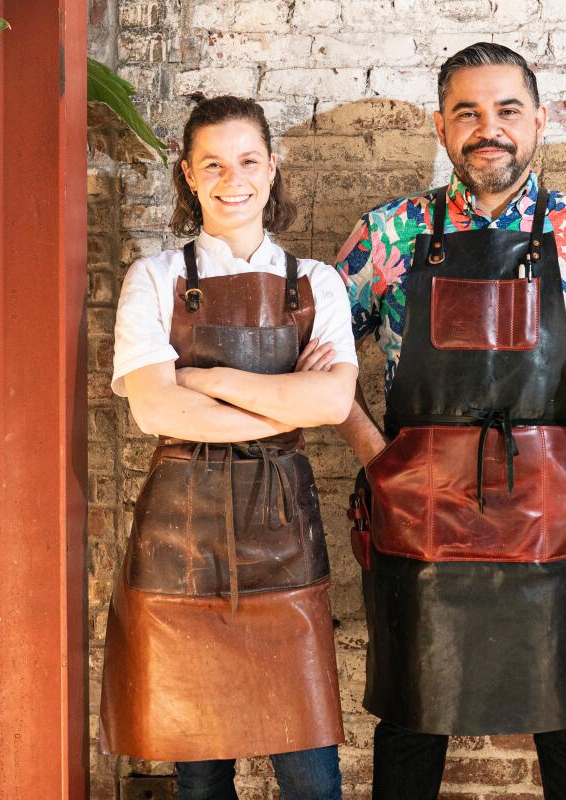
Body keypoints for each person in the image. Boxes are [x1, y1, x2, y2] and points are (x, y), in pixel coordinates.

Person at [335, 42, 566, 800]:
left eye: (508, 110)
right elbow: (318, 358)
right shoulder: (386, 236)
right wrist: (374, 455)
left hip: (561, 519)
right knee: (412, 726)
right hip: (420, 518)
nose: (490, 129)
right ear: (440, 126)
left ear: (540, 120)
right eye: (468, 112)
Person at [99, 94, 358, 800]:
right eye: (211, 163)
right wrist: (282, 406)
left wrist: (206, 382)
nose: (231, 178)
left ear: (272, 169)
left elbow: (335, 402)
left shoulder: (318, 284)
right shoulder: (152, 279)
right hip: (181, 536)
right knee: (200, 774)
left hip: (284, 531)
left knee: (311, 776)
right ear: (187, 174)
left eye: (247, 160)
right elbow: (156, 408)